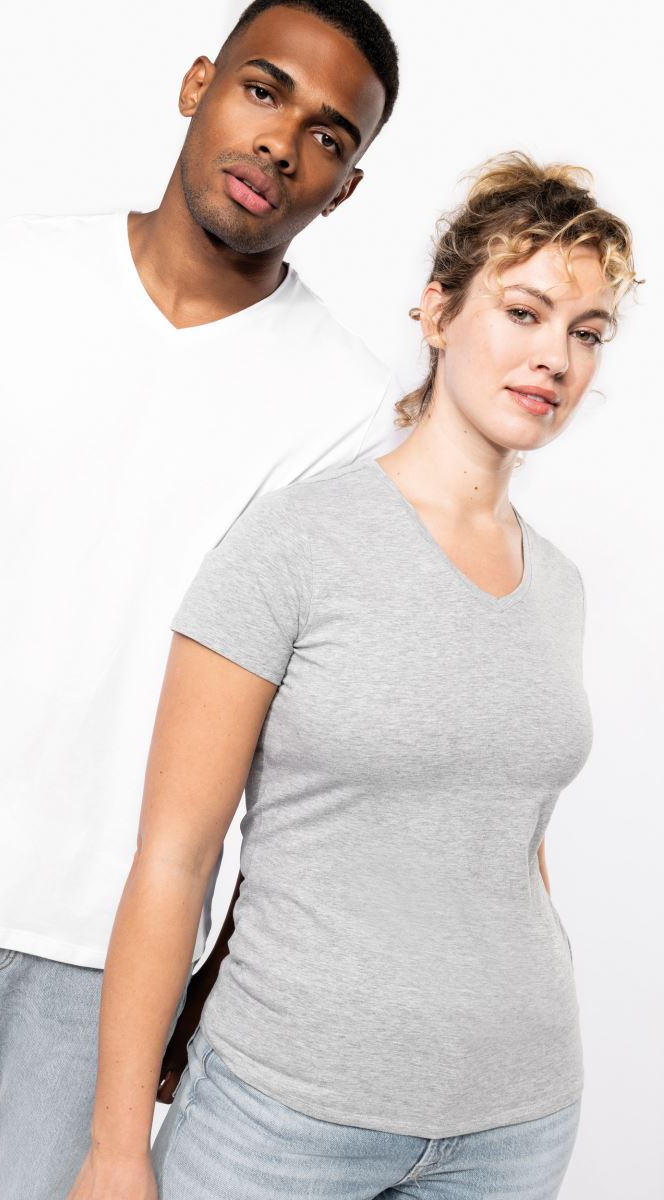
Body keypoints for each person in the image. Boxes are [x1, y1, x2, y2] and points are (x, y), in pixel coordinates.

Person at [0, 2, 401, 1196]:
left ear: (347, 188)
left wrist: (225, 964)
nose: (280, 144)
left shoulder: (349, 414)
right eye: (262, 90)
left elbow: (307, 736)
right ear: (197, 83)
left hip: (115, 948)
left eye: (326, 136)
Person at [70, 153, 637, 1200]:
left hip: (514, 1123)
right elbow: (173, 860)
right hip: (282, 1119)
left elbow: (506, 836)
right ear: (438, 312)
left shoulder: (557, 583)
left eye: (587, 332)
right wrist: (114, 1148)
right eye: (522, 312)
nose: (554, 357)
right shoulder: (291, 544)